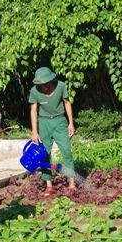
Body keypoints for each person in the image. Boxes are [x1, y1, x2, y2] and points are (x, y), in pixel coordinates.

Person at [28, 66, 77, 196]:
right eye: (41, 84)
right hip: (44, 123)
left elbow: (67, 103)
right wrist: (34, 131)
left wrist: (71, 123)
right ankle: (49, 185)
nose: (44, 86)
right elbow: (33, 110)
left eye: (45, 83)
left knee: (66, 151)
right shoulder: (34, 91)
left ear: (51, 80)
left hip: (60, 121)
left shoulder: (61, 86)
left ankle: (72, 183)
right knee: (45, 154)